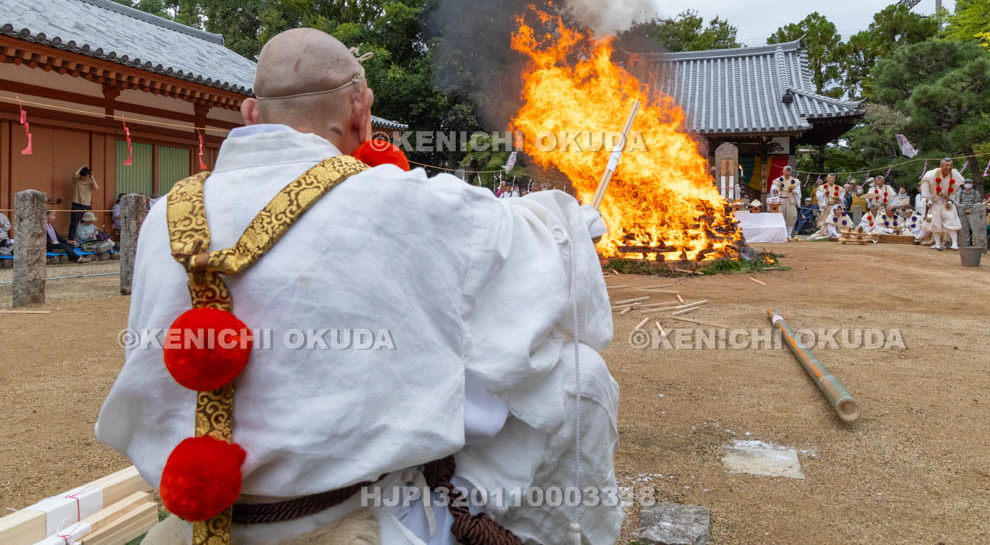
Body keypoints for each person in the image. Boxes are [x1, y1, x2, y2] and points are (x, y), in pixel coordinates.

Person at [95, 28, 622, 545]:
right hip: (351, 522)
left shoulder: (168, 212)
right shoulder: (396, 200)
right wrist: (576, 224)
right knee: (580, 379)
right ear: (358, 109)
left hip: (199, 505)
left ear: (250, 113)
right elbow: (524, 244)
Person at [920, 158, 964, 250]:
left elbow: (957, 189)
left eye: (951, 165)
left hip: (946, 201)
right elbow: (924, 186)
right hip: (933, 201)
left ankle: (954, 243)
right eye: (946, 165)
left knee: (952, 219)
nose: (949, 167)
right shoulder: (931, 174)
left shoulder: (955, 174)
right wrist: (928, 199)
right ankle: (937, 243)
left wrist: (951, 200)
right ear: (941, 166)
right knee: (933, 222)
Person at [770, 165, 800, 238]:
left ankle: (789, 234)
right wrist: (777, 189)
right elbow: (773, 189)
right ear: (783, 171)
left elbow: (798, 191)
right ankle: (781, 234)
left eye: (789, 170)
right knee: (780, 216)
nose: (788, 172)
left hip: (790, 200)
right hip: (781, 199)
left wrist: (793, 190)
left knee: (791, 216)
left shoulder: (795, 181)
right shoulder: (778, 180)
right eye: (787, 170)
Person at [70, 165, 99, 239]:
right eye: (83, 176)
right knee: (74, 223)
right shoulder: (77, 180)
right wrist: (82, 166)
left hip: (87, 205)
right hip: (77, 204)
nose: (84, 178)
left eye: (86, 176)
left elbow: (96, 187)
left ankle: (86, 240)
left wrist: (92, 177)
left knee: (87, 223)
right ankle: (71, 240)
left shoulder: (90, 181)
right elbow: (75, 174)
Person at [953, 178, 985, 247]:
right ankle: (964, 244)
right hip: (963, 214)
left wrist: (971, 210)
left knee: (974, 229)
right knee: (963, 229)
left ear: (972, 184)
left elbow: (978, 203)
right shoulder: (961, 193)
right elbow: (959, 202)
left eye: (969, 183)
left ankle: (975, 244)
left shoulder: (975, 193)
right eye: (966, 183)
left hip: (973, 213)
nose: (967, 184)